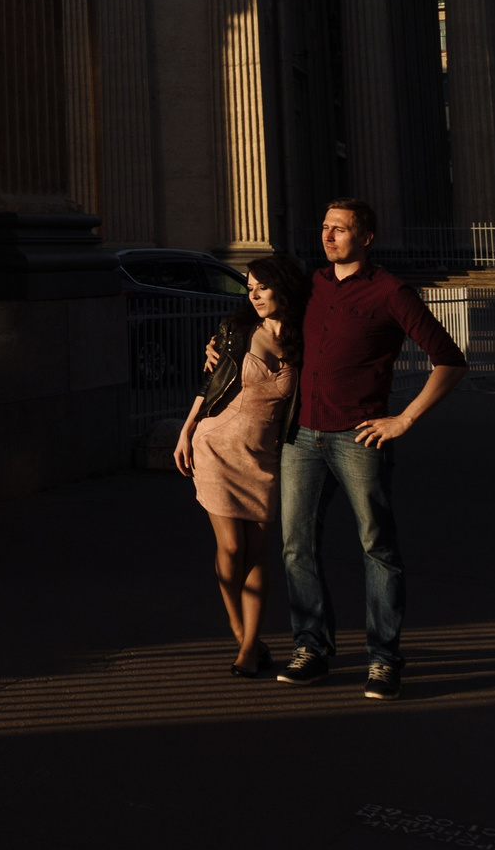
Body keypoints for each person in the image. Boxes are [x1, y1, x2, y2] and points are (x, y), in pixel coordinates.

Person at [270, 198, 467, 700]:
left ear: (366, 237)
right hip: (302, 436)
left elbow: (449, 360)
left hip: (358, 437)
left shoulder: (390, 292)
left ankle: (383, 661)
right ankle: (311, 649)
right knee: (296, 546)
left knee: (377, 548)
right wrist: (222, 345)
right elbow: (262, 311)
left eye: (340, 228)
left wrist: (404, 419)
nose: (328, 236)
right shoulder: (312, 285)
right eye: (325, 227)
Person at [173, 253, 312, 677]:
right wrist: (186, 429)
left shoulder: (306, 338)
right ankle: (240, 633)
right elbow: (211, 382)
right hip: (216, 446)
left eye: (262, 287)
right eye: (249, 288)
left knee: (257, 552)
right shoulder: (236, 330)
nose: (254, 296)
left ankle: (251, 645)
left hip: (266, 457)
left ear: (283, 287)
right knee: (232, 547)